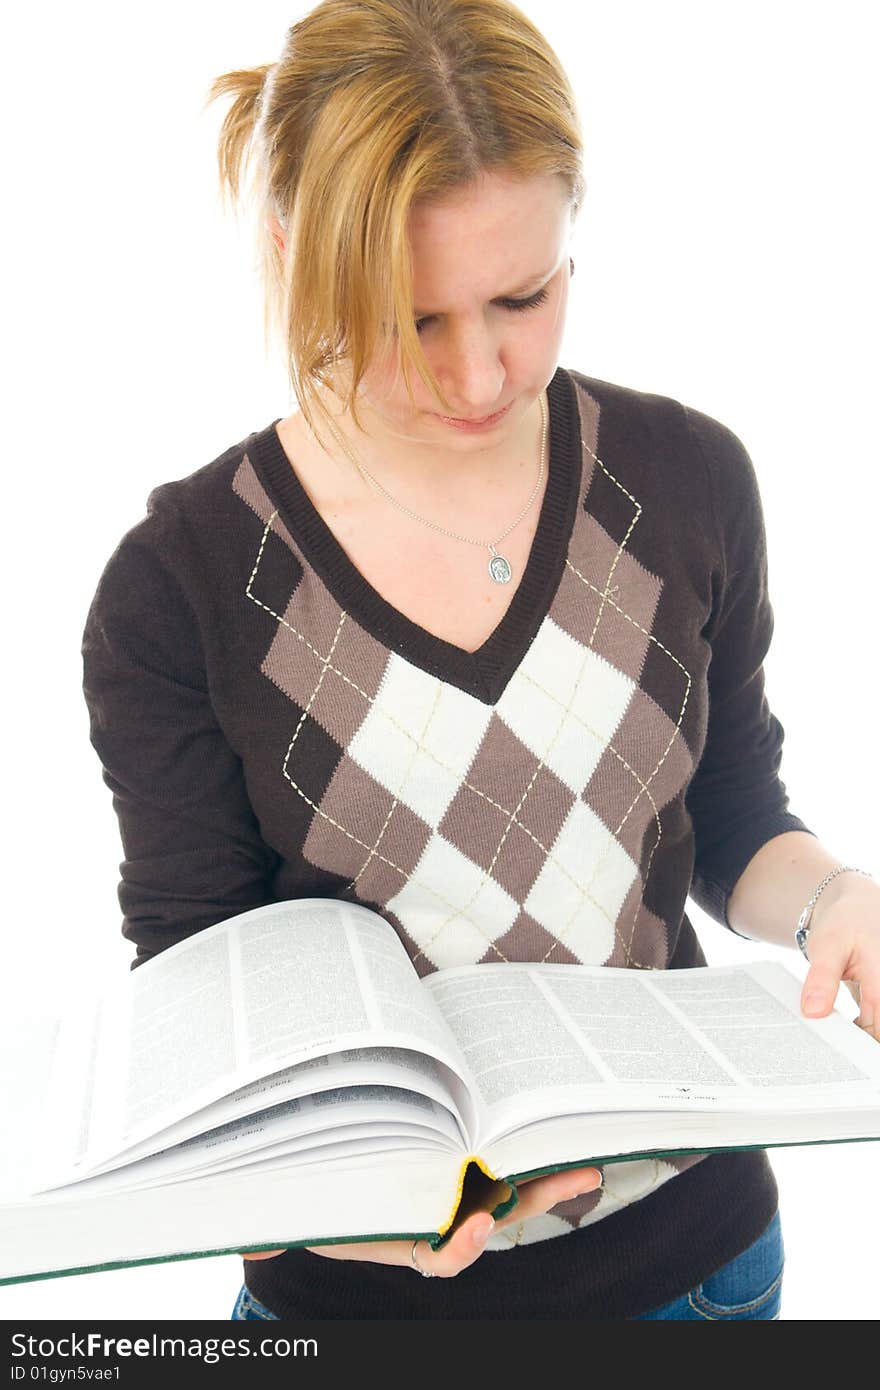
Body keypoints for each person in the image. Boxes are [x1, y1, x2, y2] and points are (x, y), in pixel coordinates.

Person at [81, 0, 879, 1321]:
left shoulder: (685, 482)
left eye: (523, 296)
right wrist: (332, 1203)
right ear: (291, 256)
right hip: (356, 1304)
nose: (477, 374)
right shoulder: (181, 586)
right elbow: (204, 981)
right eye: (412, 319)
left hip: (698, 1269)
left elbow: (732, 818)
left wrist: (835, 899)